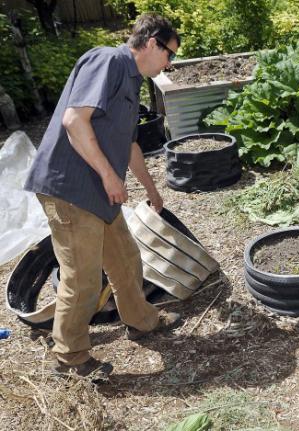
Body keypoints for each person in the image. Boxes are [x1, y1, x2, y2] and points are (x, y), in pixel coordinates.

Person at [24, 13, 182, 379]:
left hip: (99, 192)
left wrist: (152, 190)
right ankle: (70, 359)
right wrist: (110, 177)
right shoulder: (108, 61)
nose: (169, 63)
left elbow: (129, 145)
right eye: (169, 53)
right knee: (83, 280)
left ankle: (142, 320)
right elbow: (74, 121)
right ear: (152, 43)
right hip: (70, 189)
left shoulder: (132, 82)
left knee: (126, 259)